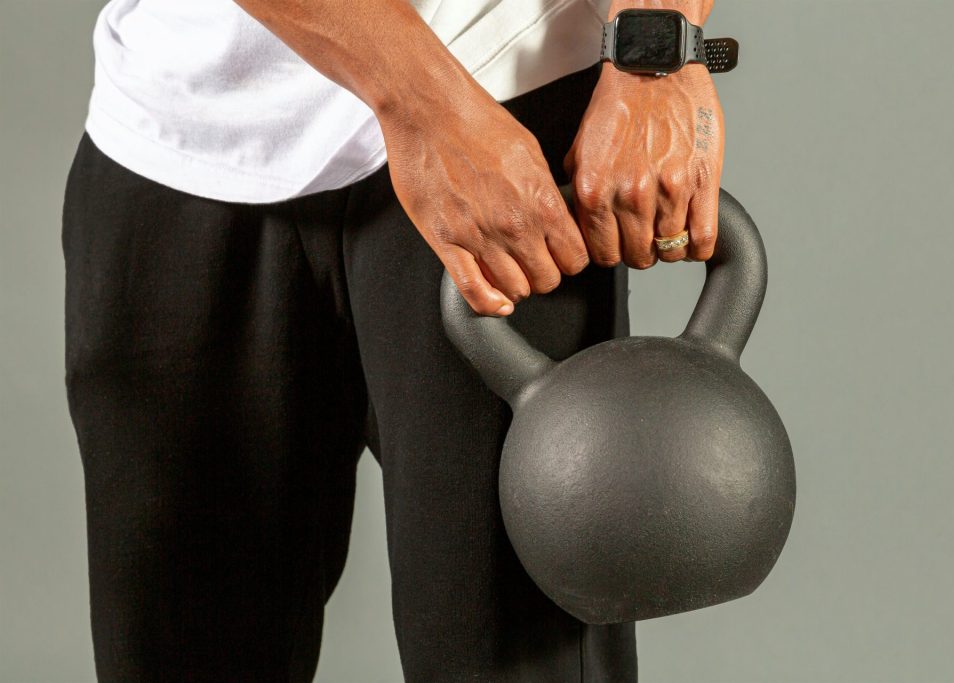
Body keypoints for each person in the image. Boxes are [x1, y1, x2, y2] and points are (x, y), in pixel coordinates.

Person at [61, 0, 725, 680]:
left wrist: (655, 51)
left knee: (520, 662)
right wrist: (427, 106)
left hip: (508, 96)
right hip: (184, 131)